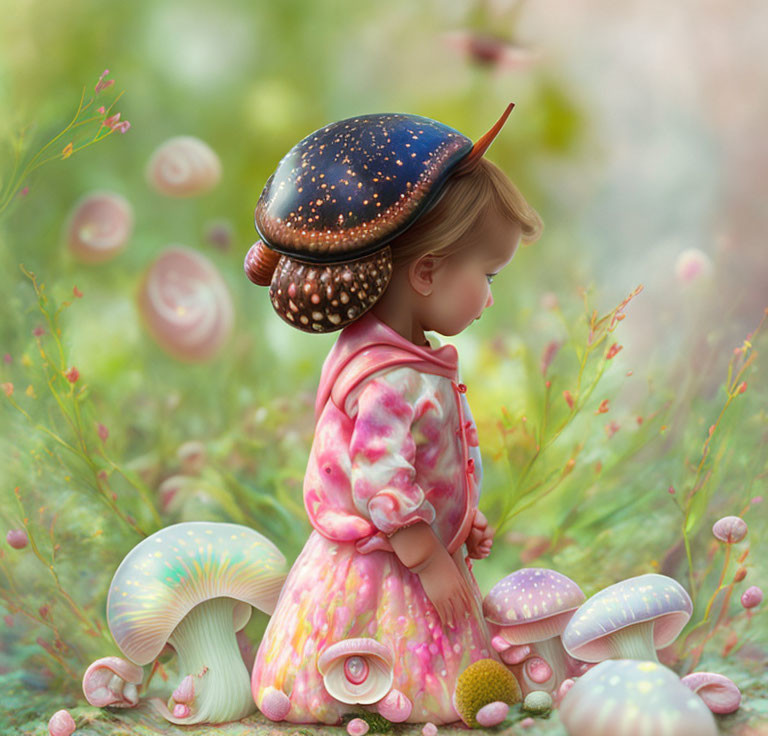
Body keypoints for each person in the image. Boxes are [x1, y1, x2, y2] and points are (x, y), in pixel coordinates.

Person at [245, 110, 543, 725]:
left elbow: (426, 458)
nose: (489, 297)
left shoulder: (398, 357)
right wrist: (431, 559)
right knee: (406, 668)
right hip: (385, 566)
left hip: (414, 545)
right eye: (486, 275)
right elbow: (381, 482)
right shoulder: (388, 377)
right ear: (428, 271)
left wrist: (460, 518)